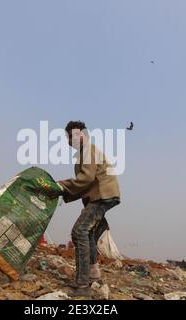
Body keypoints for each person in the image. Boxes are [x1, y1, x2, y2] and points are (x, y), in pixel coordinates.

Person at [42, 121, 121, 296]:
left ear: (82, 135)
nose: (70, 140)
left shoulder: (88, 150)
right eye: (68, 137)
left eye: (72, 136)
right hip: (102, 195)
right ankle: (94, 276)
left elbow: (85, 180)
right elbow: (85, 185)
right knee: (89, 234)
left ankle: (83, 284)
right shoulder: (84, 152)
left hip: (103, 195)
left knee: (80, 231)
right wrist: (64, 192)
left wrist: (60, 186)